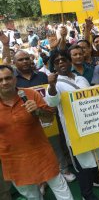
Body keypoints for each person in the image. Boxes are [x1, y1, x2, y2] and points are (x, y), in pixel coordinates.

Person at [46, 50, 99, 200]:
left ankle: (98, 180)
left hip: (92, 124)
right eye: (57, 61)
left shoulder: (81, 79)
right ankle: (86, 194)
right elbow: (52, 102)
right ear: (54, 66)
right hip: (75, 131)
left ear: (70, 62)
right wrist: (51, 86)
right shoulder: (55, 84)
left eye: (64, 59)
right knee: (82, 163)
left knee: (96, 154)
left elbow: (92, 98)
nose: (61, 62)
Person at [0, 65, 73, 200]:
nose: (4, 82)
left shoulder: (30, 94)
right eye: (0, 80)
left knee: (61, 189)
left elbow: (50, 118)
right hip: (13, 160)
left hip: (41, 153)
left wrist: (38, 111)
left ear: (15, 79)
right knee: (32, 196)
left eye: (8, 78)